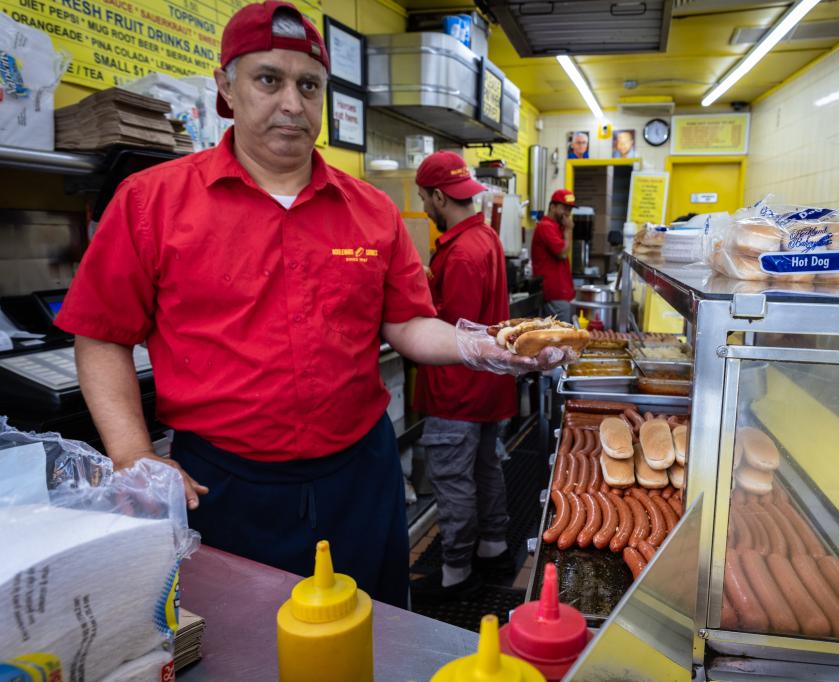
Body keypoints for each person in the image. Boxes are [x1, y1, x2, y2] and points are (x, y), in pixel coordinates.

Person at [53, 0, 565, 609]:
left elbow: (406, 322)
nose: (291, 103)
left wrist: (480, 345)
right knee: (242, 646)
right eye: (268, 79)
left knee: (375, 628)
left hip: (360, 476)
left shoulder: (370, 210)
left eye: (308, 85)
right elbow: (101, 334)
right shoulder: (150, 203)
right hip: (224, 485)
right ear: (226, 86)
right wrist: (134, 457)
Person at [410, 151, 517, 602]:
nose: (425, 207)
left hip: (458, 388)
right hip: (490, 386)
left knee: (453, 479)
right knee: (486, 467)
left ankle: (456, 572)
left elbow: (454, 330)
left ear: (438, 196)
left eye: (423, 199)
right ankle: (493, 548)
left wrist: (420, 298)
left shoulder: (460, 255)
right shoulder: (485, 237)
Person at [531, 189, 576, 323]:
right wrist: (568, 230)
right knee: (560, 339)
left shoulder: (557, 227)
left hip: (561, 295)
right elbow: (562, 253)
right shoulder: (546, 227)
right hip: (555, 295)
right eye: (565, 208)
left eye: (570, 209)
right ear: (552, 207)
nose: (567, 213)